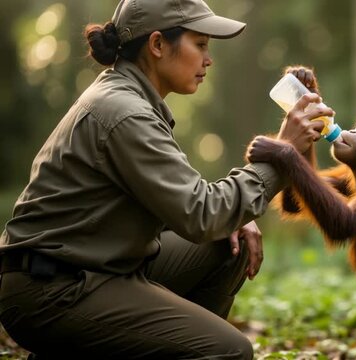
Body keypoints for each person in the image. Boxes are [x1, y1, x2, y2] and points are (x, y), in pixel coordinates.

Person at [0, 0, 332, 358]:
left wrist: (234, 218)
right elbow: (202, 213)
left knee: (226, 244)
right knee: (228, 350)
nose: (209, 59)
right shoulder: (124, 113)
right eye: (200, 44)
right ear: (157, 45)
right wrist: (283, 154)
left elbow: (184, 207)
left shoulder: (131, 100)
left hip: (94, 268)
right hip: (53, 291)